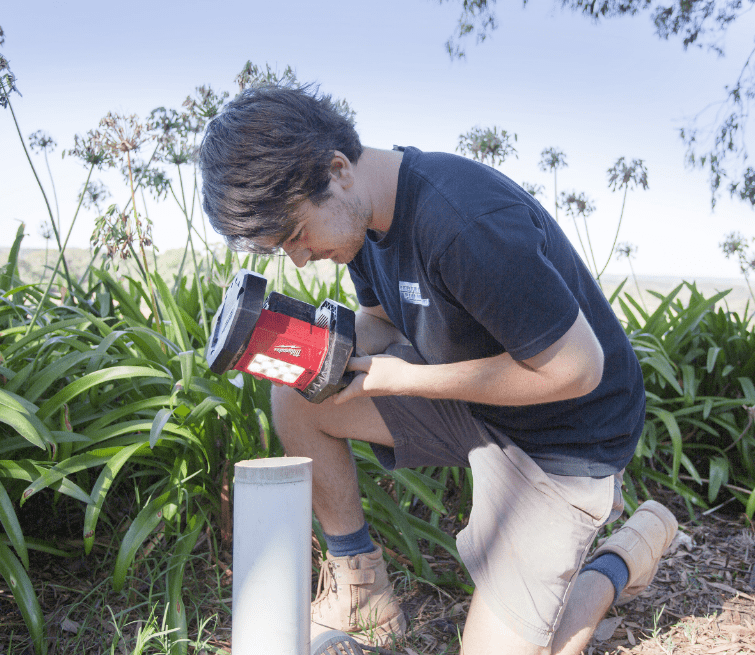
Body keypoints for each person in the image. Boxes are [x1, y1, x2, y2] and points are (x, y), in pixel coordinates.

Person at [198, 84, 679, 655]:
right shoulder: (364, 224)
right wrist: (320, 352)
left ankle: (621, 558)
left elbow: (577, 370)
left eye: (298, 234)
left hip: (567, 438)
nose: (299, 258)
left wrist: (406, 379)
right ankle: (362, 590)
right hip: (478, 404)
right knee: (300, 396)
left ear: (337, 169)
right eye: (282, 248)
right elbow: (379, 319)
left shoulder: (464, 223)